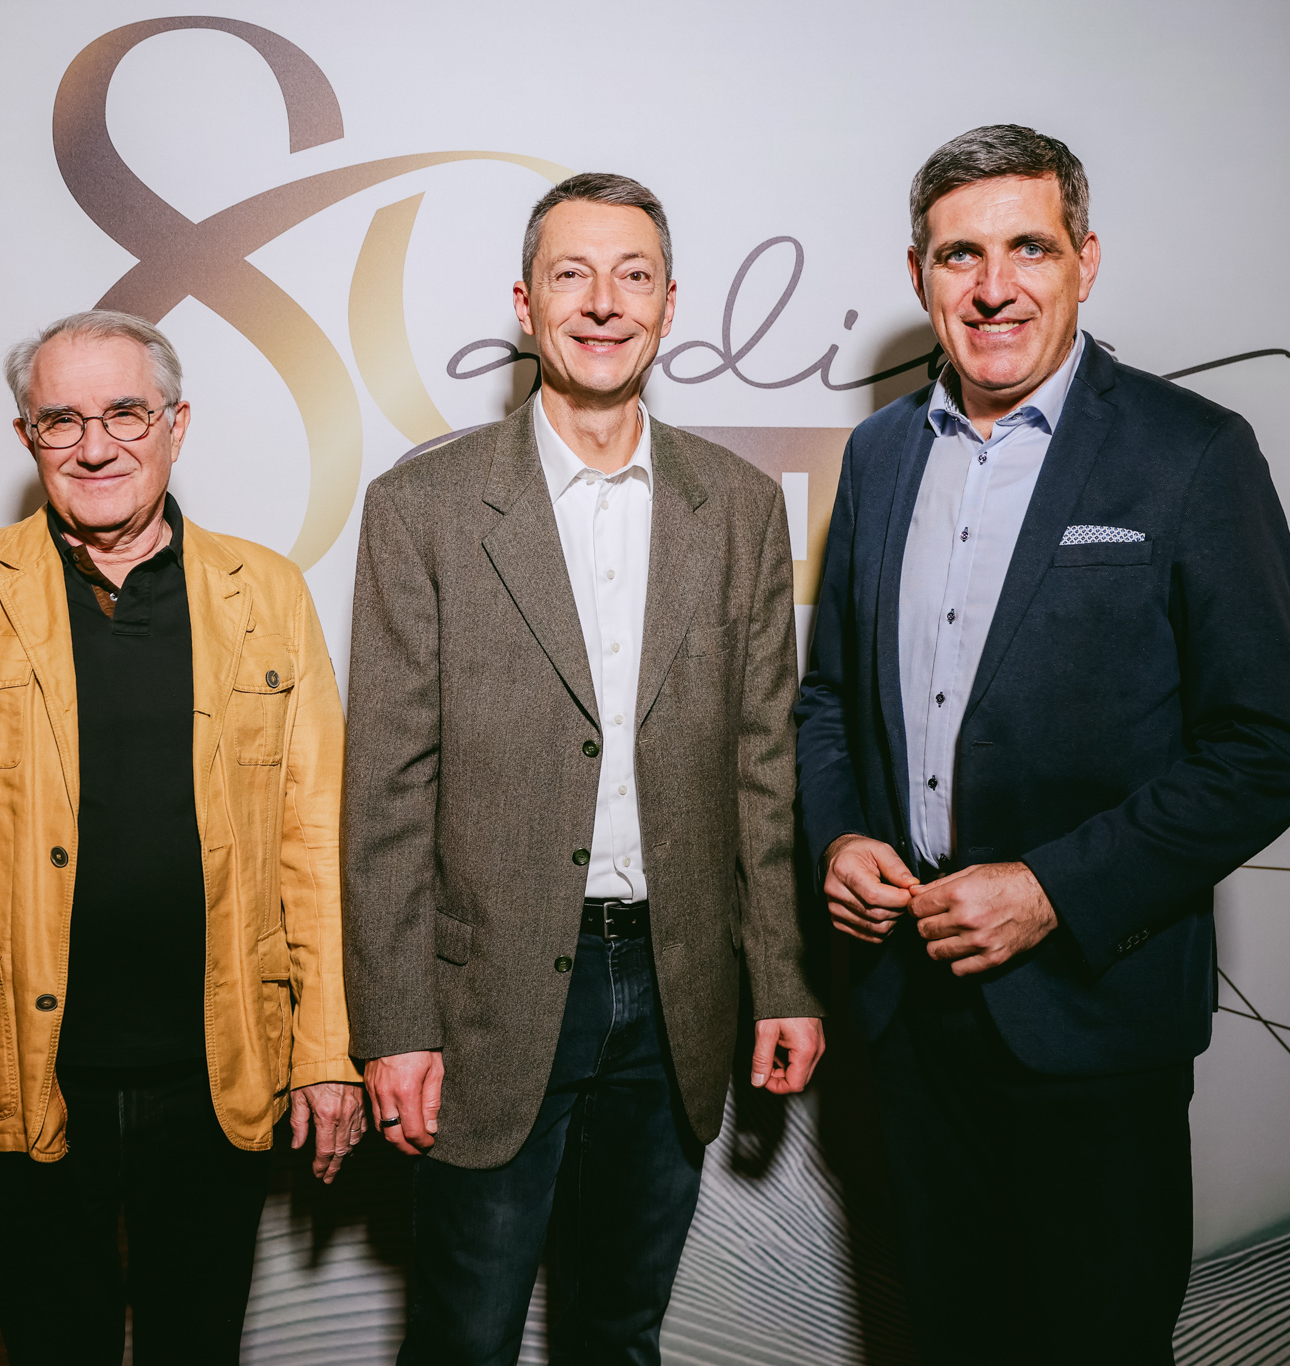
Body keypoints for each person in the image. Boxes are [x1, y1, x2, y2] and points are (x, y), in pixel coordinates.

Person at [795, 126, 1290, 1363]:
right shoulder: (878, 454)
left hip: (1090, 1018)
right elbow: (826, 700)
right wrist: (839, 834)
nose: (993, 286)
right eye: (959, 255)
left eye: (1028, 248)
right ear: (920, 274)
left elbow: (1266, 746)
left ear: (1084, 261)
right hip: (903, 1019)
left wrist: (1049, 890)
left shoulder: (1190, 452)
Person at [342, 173, 826, 1365]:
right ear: (524, 304)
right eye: (571, 274)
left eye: (631, 275)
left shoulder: (740, 506)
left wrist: (781, 976)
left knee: (617, 1334)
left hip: (675, 987)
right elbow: (386, 788)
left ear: (669, 304)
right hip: (488, 997)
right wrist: (394, 1022)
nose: (602, 302)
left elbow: (763, 764)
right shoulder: (421, 508)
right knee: (462, 1339)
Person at [0, 310, 363, 1365]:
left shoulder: (267, 594)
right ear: (26, 437)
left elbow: (316, 847)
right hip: (16, 1074)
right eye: (61, 421)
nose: (95, 446)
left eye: (125, 413)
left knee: (196, 1350)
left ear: (177, 424)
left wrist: (326, 1055)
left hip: (219, 1077)